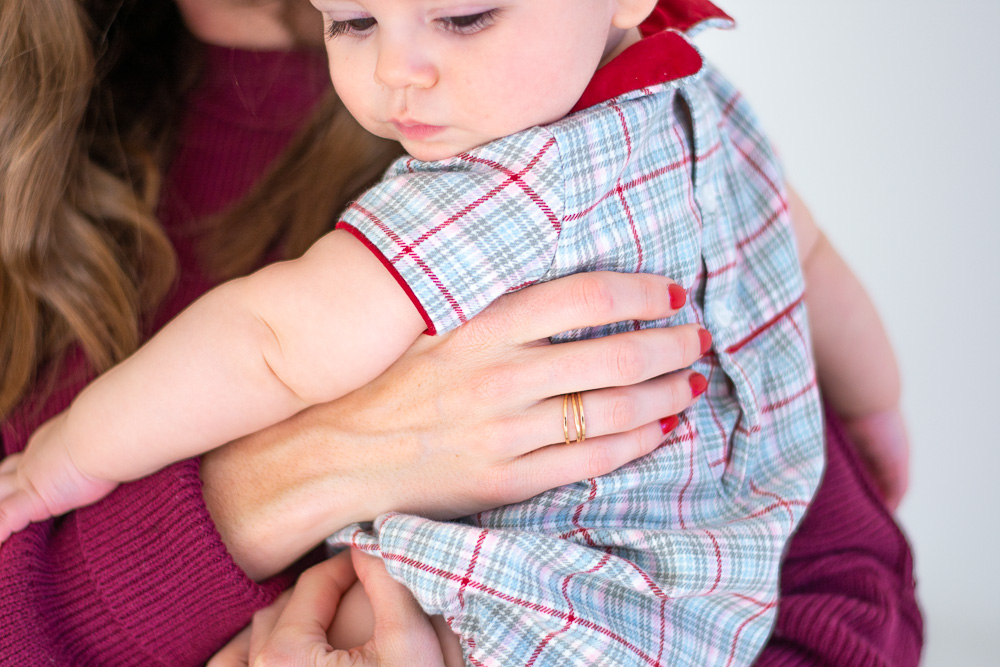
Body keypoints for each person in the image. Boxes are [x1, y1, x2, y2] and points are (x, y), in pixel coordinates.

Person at [0, 0, 921, 664]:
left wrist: (65, 457)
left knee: (359, 611)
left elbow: (268, 342)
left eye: (467, 16)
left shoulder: (488, 183)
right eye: (352, 23)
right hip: (702, 602)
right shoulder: (696, 111)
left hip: (555, 618)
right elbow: (812, 262)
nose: (400, 69)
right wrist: (878, 411)